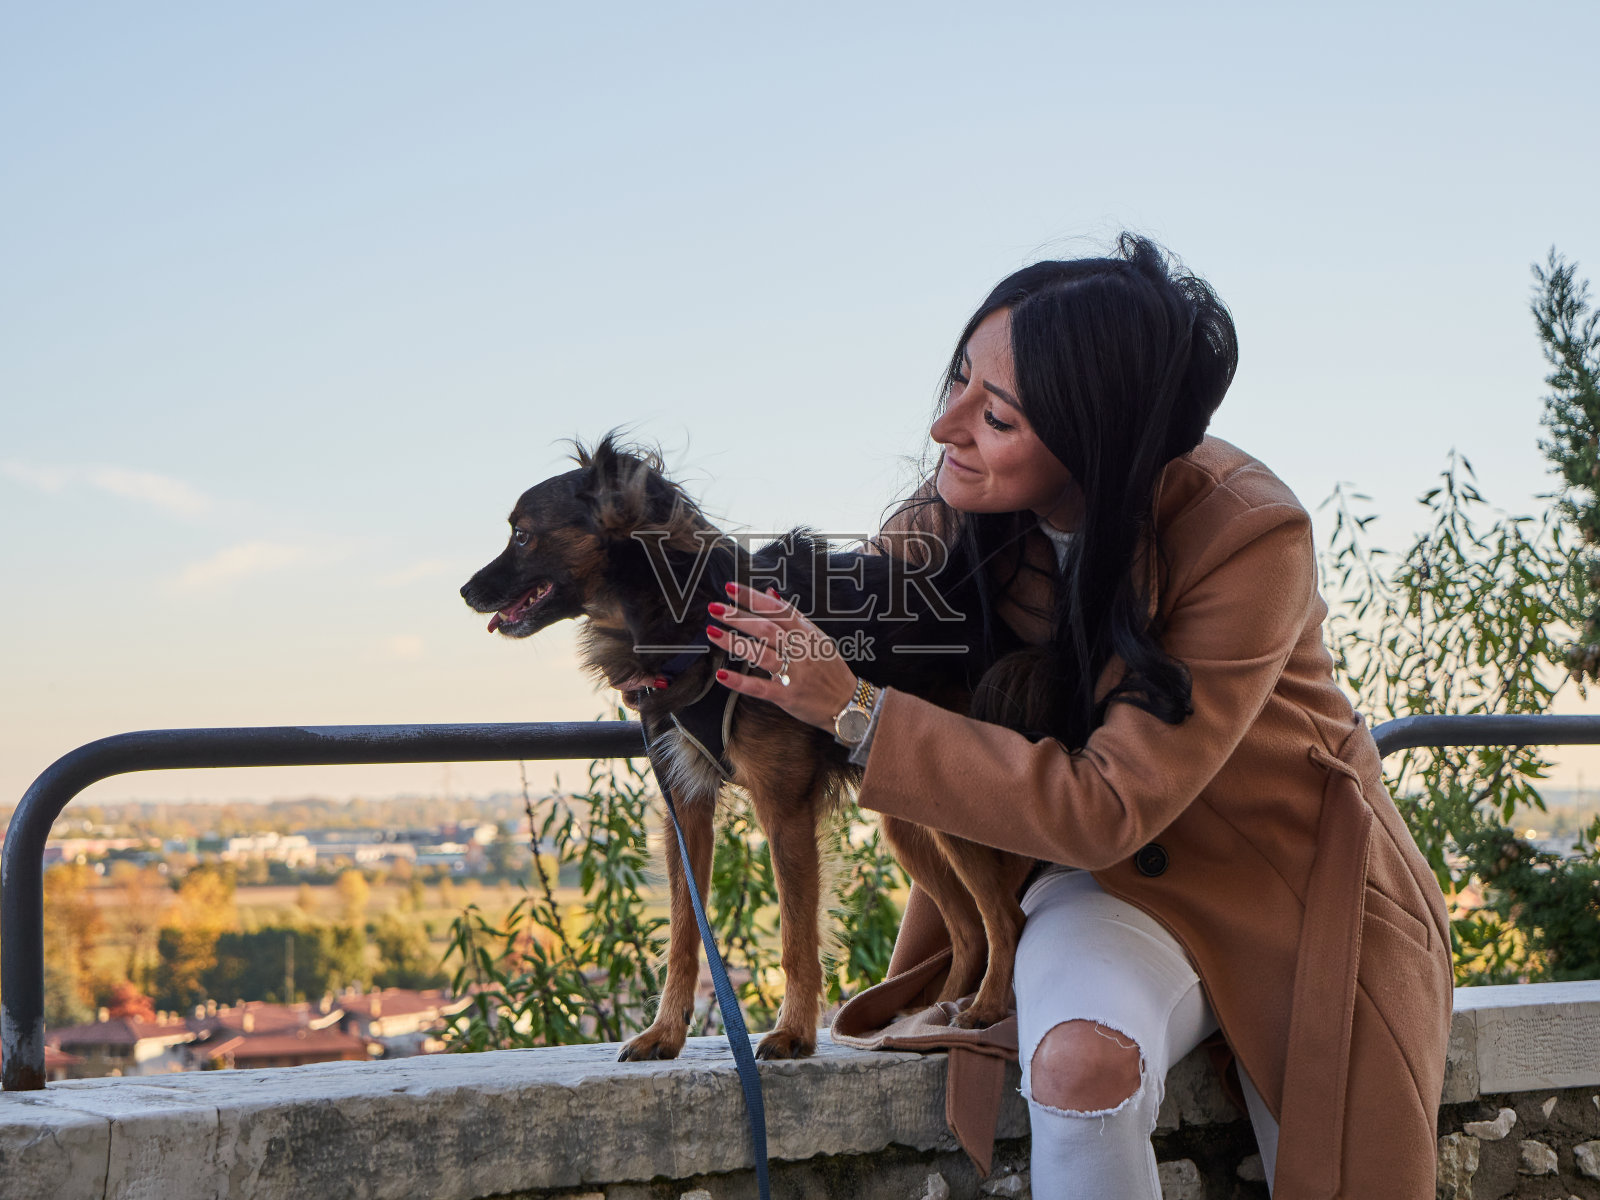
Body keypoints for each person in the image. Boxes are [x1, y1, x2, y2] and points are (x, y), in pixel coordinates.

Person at [704, 233, 1453, 1199]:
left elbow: (1108, 802)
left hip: (1289, 893)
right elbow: (818, 643)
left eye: (996, 413)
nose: (945, 425)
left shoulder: (1248, 531)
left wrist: (851, 708)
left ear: (1092, 438)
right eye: (960, 378)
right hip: (1095, 888)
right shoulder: (941, 529)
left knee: (1348, 1171)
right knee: (1075, 1072)